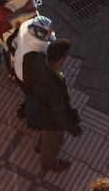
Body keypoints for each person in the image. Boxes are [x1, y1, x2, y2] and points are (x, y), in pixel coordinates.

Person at [23, 36, 82, 171]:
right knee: (53, 140)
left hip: (40, 109)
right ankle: (49, 163)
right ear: (61, 59)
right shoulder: (55, 88)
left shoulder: (38, 60)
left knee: (46, 136)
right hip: (51, 121)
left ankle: (40, 147)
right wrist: (75, 130)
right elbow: (60, 117)